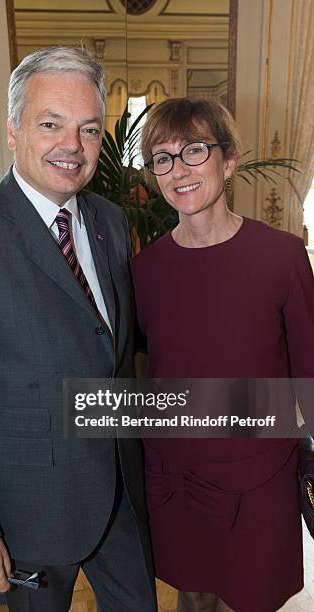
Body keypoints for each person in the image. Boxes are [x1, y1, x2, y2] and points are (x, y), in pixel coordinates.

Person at [0, 47, 157, 612]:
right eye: (51, 124)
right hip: (29, 513)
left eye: (89, 129)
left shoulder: (111, 223)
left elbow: (110, 351)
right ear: (14, 131)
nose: (72, 145)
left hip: (119, 494)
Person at [131, 97, 314, 612]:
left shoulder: (281, 256)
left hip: (259, 482)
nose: (178, 170)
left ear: (228, 161)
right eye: (162, 158)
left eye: (194, 151)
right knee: (191, 601)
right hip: (177, 480)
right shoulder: (143, 272)